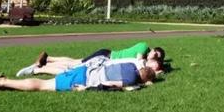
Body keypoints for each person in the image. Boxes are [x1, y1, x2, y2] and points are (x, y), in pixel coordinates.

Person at [0, 60, 156, 93]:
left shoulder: (131, 66)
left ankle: (3, 82)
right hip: (82, 81)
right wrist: (86, 88)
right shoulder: (130, 81)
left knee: (48, 79)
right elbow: (109, 85)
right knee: (42, 85)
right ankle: (2, 82)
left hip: (83, 70)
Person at [15, 42, 165, 77]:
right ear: (153, 50)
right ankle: (46, 61)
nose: (153, 56)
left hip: (106, 57)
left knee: (76, 61)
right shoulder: (144, 47)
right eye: (155, 54)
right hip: (106, 56)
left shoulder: (146, 55)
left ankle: (48, 59)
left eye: (156, 57)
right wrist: (152, 72)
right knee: (76, 64)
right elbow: (139, 63)